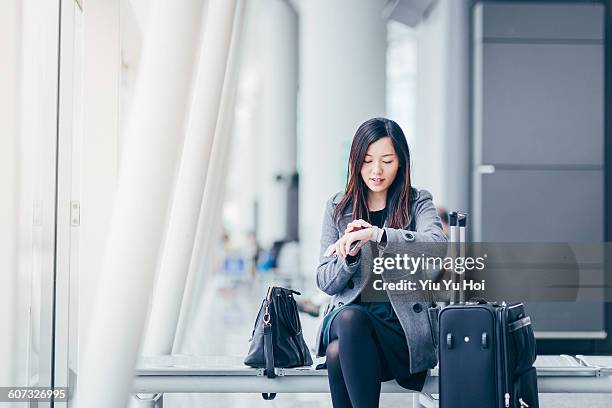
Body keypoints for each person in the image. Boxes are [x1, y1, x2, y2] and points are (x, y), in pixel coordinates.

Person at [314, 117, 447, 407]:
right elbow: (324, 280)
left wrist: (378, 234)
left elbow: (437, 248)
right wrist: (350, 255)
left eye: (387, 160)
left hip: (399, 331)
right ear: (355, 161)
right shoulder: (338, 207)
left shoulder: (417, 202)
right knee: (351, 318)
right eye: (367, 160)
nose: (376, 170)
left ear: (401, 162)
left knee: (337, 354)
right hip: (348, 321)